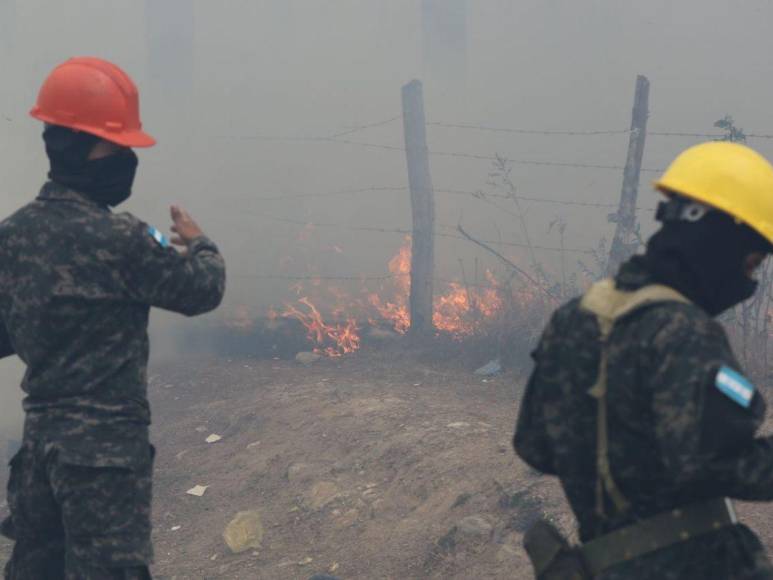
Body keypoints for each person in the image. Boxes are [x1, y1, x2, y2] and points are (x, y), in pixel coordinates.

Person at [0, 57, 226, 579]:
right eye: (117, 146)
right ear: (79, 147)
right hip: (103, 458)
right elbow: (202, 290)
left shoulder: (13, 236)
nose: (126, 159)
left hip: (37, 455)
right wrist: (200, 243)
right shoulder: (121, 239)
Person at [514, 141, 773, 580]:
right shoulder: (681, 330)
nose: (748, 279)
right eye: (750, 262)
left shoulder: (574, 320)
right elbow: (712, 463)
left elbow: (534, 445)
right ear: (718, 241)